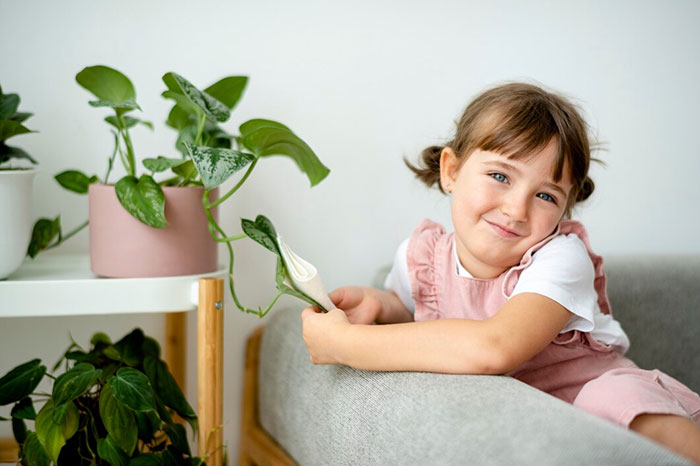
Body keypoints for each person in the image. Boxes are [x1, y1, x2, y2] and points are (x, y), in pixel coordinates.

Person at [300, 82, 700, 464]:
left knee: (607, 400)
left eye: (545, 196)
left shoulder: (559, 258)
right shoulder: (419, 258)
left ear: (564, 210)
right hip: (533, 434)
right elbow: (424, 326)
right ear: (451, 171)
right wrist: (382, 308)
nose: (515, 209)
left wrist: (347, 345)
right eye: (500, 176)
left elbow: (496, 347)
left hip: (612, 407)